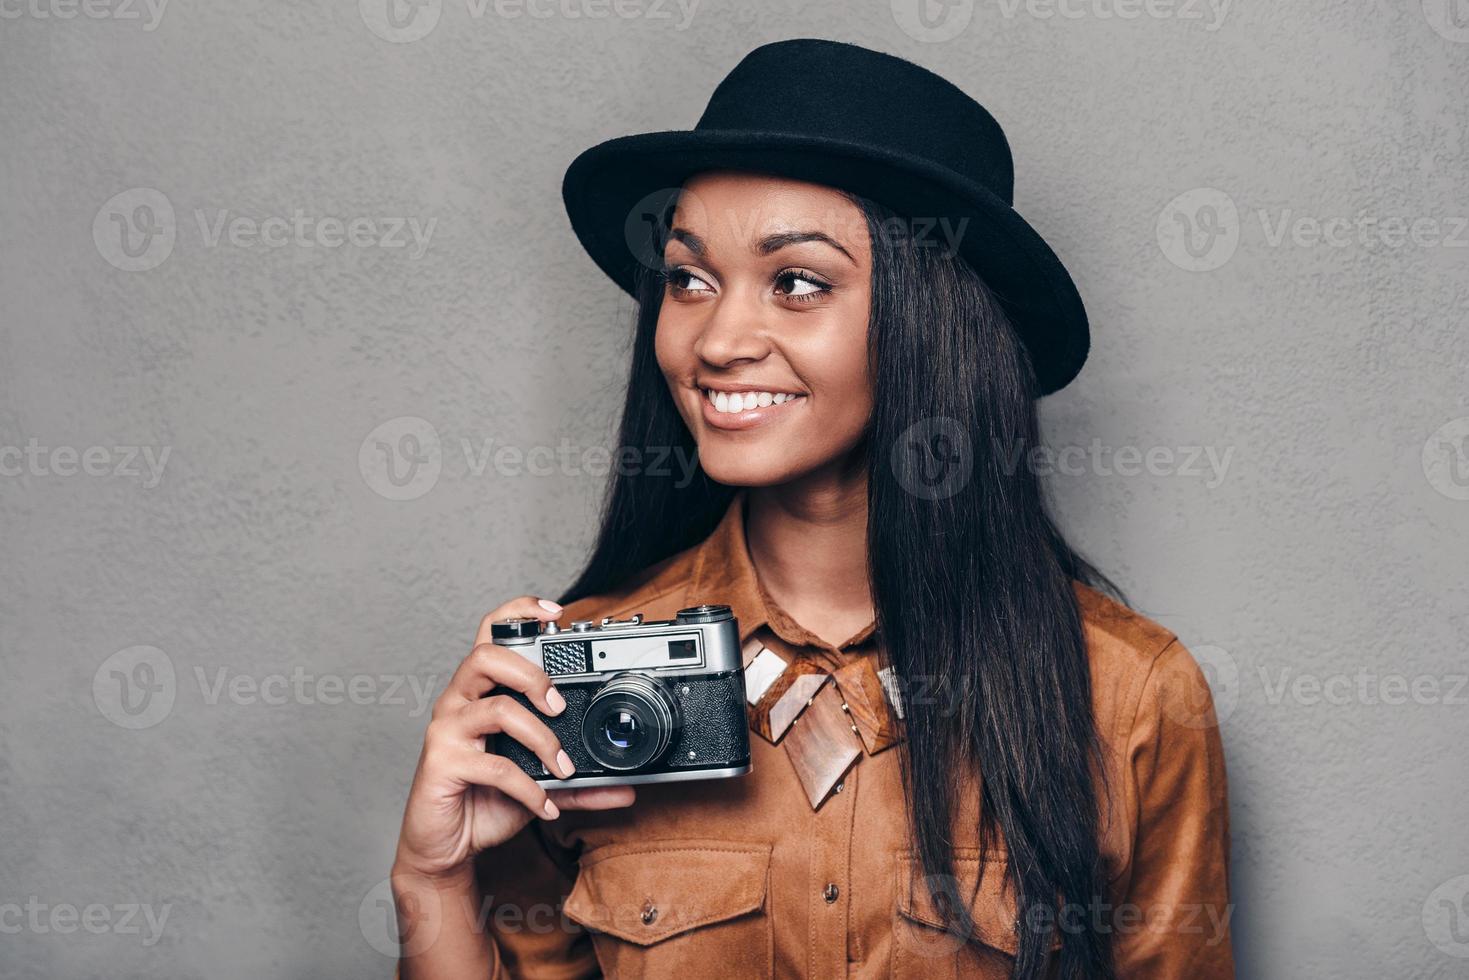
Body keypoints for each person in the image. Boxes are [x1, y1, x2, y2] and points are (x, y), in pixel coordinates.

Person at [391, 38, 1233, 980]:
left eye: (796, 282)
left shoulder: (1127, 695)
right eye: (687, 278)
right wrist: (432, 884)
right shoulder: (572, 693)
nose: (716, 338)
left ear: (933, 320)